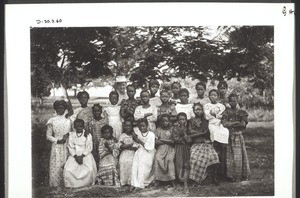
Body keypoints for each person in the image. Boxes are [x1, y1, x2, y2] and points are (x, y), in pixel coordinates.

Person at [187, 103, 220, 185]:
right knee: (194, 158)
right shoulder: (190, 121)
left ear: (202, 110)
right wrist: (202, 133)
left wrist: (200, 134)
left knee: (214, 157)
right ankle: (195, 179)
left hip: (206, 143)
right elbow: (190, 134)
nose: (198, 111)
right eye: (196, 109)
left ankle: (213, 178)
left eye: (199, 109)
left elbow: (207, 133)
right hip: (196, 144)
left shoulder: (206, 121)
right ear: (193, 111)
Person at [222, 93, 250, 181]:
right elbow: (224, 124)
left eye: (234, 101)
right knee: (229, 156)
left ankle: (240, 175)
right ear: (228, 102)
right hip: (229, 136)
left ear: (237, 101)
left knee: (238, 156)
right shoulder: (226, 112)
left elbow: (242, 124)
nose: (232, 103)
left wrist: (231, 124)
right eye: (230, 101)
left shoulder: (241, 112)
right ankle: (230, 176)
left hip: (238, 136)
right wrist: (235, 123)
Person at [63, 119, 97, 188]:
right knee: (68, 169)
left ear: (83, 126)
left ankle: (86, 184)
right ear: (74, 127)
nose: (79, 128)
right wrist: (76, 156)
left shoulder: (87, 135)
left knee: (89, 169)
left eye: (80, 126)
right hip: (75, 154)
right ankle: (72, 184)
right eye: (77, 126)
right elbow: (71, 147)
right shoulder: (72, 135)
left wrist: (82, 156)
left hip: (85, 154)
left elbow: (89, 147)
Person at [204, 89, 229, 180]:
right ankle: (214, 173)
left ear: (218, 96)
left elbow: (221, 115)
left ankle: (222, 172)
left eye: (215, 95)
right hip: (211, 124)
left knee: (225, 132)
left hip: (220, 124)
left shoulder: (221, 105)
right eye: (211, 95)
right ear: (209, 96)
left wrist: (213, 114)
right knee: (214, 138)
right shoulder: (206, 105)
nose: (213, 96)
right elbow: (207, 116)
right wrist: (215, 115)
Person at [46, 100, 72, 187]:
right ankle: (55, 185)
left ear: (65, 109)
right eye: (58, 108)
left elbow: (73, 133)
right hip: (57, 146)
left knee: (66, 165)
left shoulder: (69, 120)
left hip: (67, 146)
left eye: (62, 108)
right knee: (56, 166)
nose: (60, 110)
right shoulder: (51, 120)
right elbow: (48, 136)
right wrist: (57, 140)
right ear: (55, 108)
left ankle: (67, 184)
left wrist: (68, 135)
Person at [130, 118, 156, 190]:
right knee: (135, 164)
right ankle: (135, 183)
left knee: (142, 163)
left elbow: (150, 147)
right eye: (140, 126)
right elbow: (136, 144)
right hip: (140, 151)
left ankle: (141, 183)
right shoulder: (138, 134)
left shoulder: (151, 135)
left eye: (143, 126)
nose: (141, 128)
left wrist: (139, 141)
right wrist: (136, 143)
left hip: (149, 152)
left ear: (147, 126)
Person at [152, 114, 176, 188]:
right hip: (161, 148)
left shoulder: (173, 129)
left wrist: (162, 140)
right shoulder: (158, 130)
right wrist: (167, 141)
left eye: (167, 121)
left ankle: (172, 180)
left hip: (170, 148)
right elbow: (156, 142)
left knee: (170, 159)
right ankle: (157, 180)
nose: (165, 123)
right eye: (163, 121)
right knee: (157, 158)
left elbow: (173, 142)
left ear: (169, 121)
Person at [172, 112, 191, 194]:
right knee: (179, 162)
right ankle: (180, 179)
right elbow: (175, 138)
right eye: (180, 119)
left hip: (186, 147)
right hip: (179, 147)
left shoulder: (188, 128)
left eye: (183, 119)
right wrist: (183, 138)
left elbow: (190, 139)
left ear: (186, 120)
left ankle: (186, 180)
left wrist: (184, 134)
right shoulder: (175, 128)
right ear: (177, 120)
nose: (182, 121)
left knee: (186, 163)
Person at [87, 103, 108, 168]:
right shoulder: (91, 122)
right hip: (94, 142)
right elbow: (89, 132)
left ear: (101, 111)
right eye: (95, 111)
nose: (96, 112)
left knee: (102, 156)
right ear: (93, 112)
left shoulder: (104, 121)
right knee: (95, 156)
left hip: (102, 141)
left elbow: (107, 131)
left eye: (98, 111)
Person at [119, 120, 138, 186]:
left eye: (130, 126)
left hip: (133, 153)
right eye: (126, 126)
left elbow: (136, 147)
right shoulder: (122, 135)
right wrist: (129, 145)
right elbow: (121, 146)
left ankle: (130, 181)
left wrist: (126, 146)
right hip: (124, 153)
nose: (128, 127)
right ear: (124, 127)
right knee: (123, 161)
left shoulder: (134, 136)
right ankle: (124, 181)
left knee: (132, 161)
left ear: (132, 127)